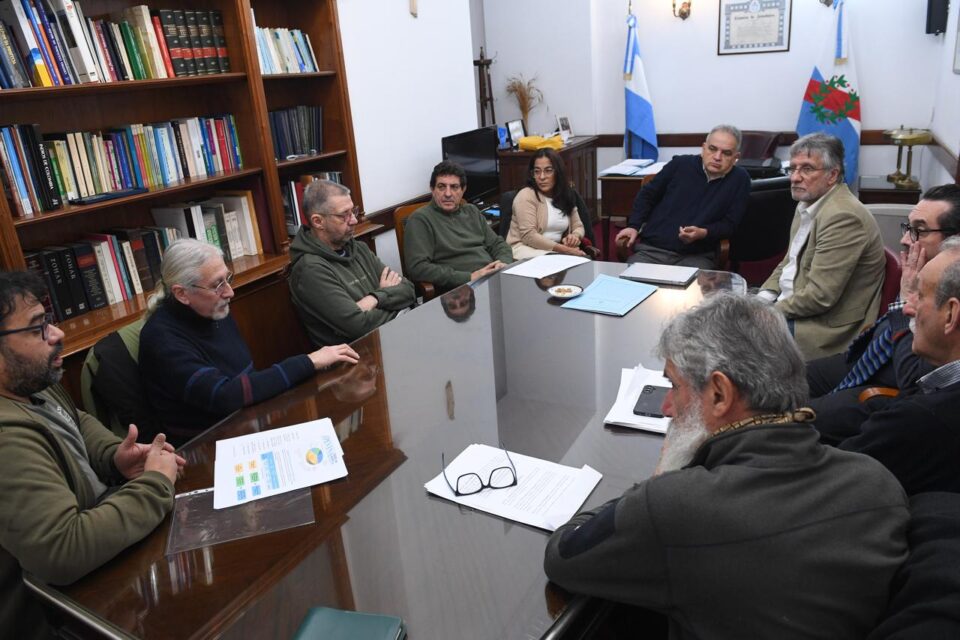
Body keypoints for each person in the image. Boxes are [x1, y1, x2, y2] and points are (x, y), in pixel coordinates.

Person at [543, 293, 908, 639]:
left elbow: (564, 553)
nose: (667, 407)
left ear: (719, 394)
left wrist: (658, 481)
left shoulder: (679, 506)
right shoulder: (878, 482)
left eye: (674, 386)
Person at [0, 271, 185, 639]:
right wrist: (155, 485)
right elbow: (63, 550)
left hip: (102, 567)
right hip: (61, 615)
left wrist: (114, 456)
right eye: (38, 328)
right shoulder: (5, 439)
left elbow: (72, 420)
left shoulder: (27, 384)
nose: (57, 335)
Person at [140, 239, 359, 445]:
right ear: (182, 294)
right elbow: (226, 396)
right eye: (217, 285)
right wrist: (309, 361)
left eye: (228, 278)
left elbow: (245, 376)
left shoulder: (211, 308)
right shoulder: (162, 339)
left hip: (245, 422)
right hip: (204, 445)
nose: (230, 292)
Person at [807, 184, 960, 443]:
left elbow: (915, 378)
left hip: (884, 387)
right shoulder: (918, 274)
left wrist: (904, 304)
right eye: (907, 227)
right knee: (778, 376)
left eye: (919, 231)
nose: (904, 239)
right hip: (863, 358)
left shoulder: (948, 297)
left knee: (796, 418)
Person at [838, 238, 960, 495]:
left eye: (921, 296)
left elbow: (823, 482)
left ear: (951, 315)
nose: (907, 308)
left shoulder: (919, 421)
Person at [759, 133, 885, 360]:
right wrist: (763, 298)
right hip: (793, 306)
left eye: (807, 169)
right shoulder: (808, 202)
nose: (795, 178)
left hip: (822, 329)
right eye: (793, 168)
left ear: (832, 175)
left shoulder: (843, 216)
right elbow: (789, 261)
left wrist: (766, 313)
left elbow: (820, 297)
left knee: (728, 340)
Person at [289, 180, 416, 346]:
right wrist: (392, 299)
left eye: (353, 211)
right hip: (361, 355)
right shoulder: (310, 270)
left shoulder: (358, 247)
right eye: (344, 215)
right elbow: (359, 327)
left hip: (394, 333)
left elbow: (408, 289)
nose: (354, 220)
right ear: (318, 221)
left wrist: (374, 299)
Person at [614, 124, 750, 268]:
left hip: (697, 257)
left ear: (736, 157)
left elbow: (730, 224)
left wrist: (703, 233)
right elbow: (647, 195)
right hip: (652, 251)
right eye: (712, 149)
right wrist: (633, 226)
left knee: (696, 290)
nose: (717, 157)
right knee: (630, 286)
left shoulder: (740, 180)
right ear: (703, 148)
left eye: (726, 153)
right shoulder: (680, 165)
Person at [403, 160, 514, 292]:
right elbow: (418, 268)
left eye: (454, 187)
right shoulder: (420, 219)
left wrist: (502, 263)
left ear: (463, 190)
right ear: (432, 189)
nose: (448, 194)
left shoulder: (471, 211)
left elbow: (497, 244)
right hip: (458, 290)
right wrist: (469, 277)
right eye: (441, 187)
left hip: (491, 278)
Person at [505, 148, 587, 259]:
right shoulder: (526, 196)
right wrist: (565, 250)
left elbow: (578, 226)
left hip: (554, 251)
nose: (542, 177)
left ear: (558, 172)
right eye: (537, 171)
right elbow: (529, 236)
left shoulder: (565, 194)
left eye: (548, 170)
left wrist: (575, 236)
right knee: (566, 261)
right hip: (525, 249)